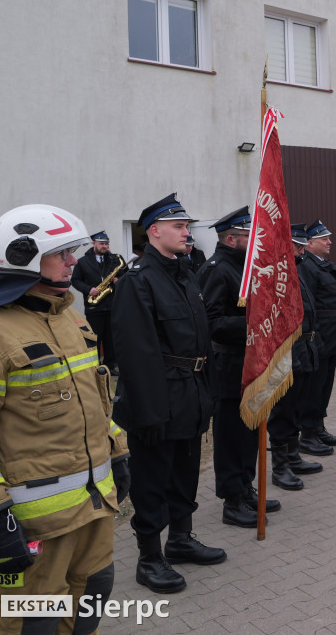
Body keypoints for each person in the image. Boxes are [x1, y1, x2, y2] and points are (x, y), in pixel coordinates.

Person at [0, 204, 130, 634]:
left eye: (74, 250)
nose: (74, 260)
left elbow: (94, 400)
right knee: (29, 622)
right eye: (62, 252)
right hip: (33, 528)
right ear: (23, 256)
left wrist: (119, 454)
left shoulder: (69, 315)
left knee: (90, 602)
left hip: (94, 511)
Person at [112, 193, 225, 594]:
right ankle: (149, 557)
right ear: (154, 231)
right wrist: (148, 413)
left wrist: (206, 396)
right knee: (151, 480)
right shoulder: (137, 281)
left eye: (187, 226)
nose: (186, 232)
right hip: (158, 400)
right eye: (178, 226)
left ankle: (180, 539)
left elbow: (200, 343)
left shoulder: (185, 274)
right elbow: (136, 354)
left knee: (184, 474)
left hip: (191, 394)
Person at [198, 207, 280, 527]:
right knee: (232, 434)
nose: (255, 240)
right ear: (231, 239)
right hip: (229, 366)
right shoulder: (217, 269)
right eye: (249, 236)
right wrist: (255, 324)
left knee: (250, 432)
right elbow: (212, 323)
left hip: (250, 363)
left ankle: (245, 489)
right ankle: (231, 500)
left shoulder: (243, 268)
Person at [268, 223, 325, 489]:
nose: (302, 251)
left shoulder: (295, 269)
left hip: (301, 348)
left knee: (294, 407)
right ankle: (280, 468)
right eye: (297, 246)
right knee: (283, 410)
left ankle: (292, 456)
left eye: (303, 247)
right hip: (285, 351)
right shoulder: (275, 274)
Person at [297, 220, 336, 455]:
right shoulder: (306, 266)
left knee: (325, 384)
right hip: (320, 335)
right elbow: (309, 305)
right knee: (314, 387)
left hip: (332, 334)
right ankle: (307, 433)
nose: (330, 242)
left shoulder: (324, 264)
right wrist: (315, 335)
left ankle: (318, 427)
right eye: (324, 238)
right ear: (309, 243)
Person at [71, 229, 125, 373]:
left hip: (112, 305)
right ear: (94, 243)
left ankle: (110, 365)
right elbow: (75, 280)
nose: (105, 246)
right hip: (94, 306)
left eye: (107, 244)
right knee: (95, 337)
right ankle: (95, 366)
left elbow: (126, 275)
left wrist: (118, 280)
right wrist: (88, 289)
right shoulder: (82, 262)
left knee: (111, 339)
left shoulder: (114, 259)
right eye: (102, 243)